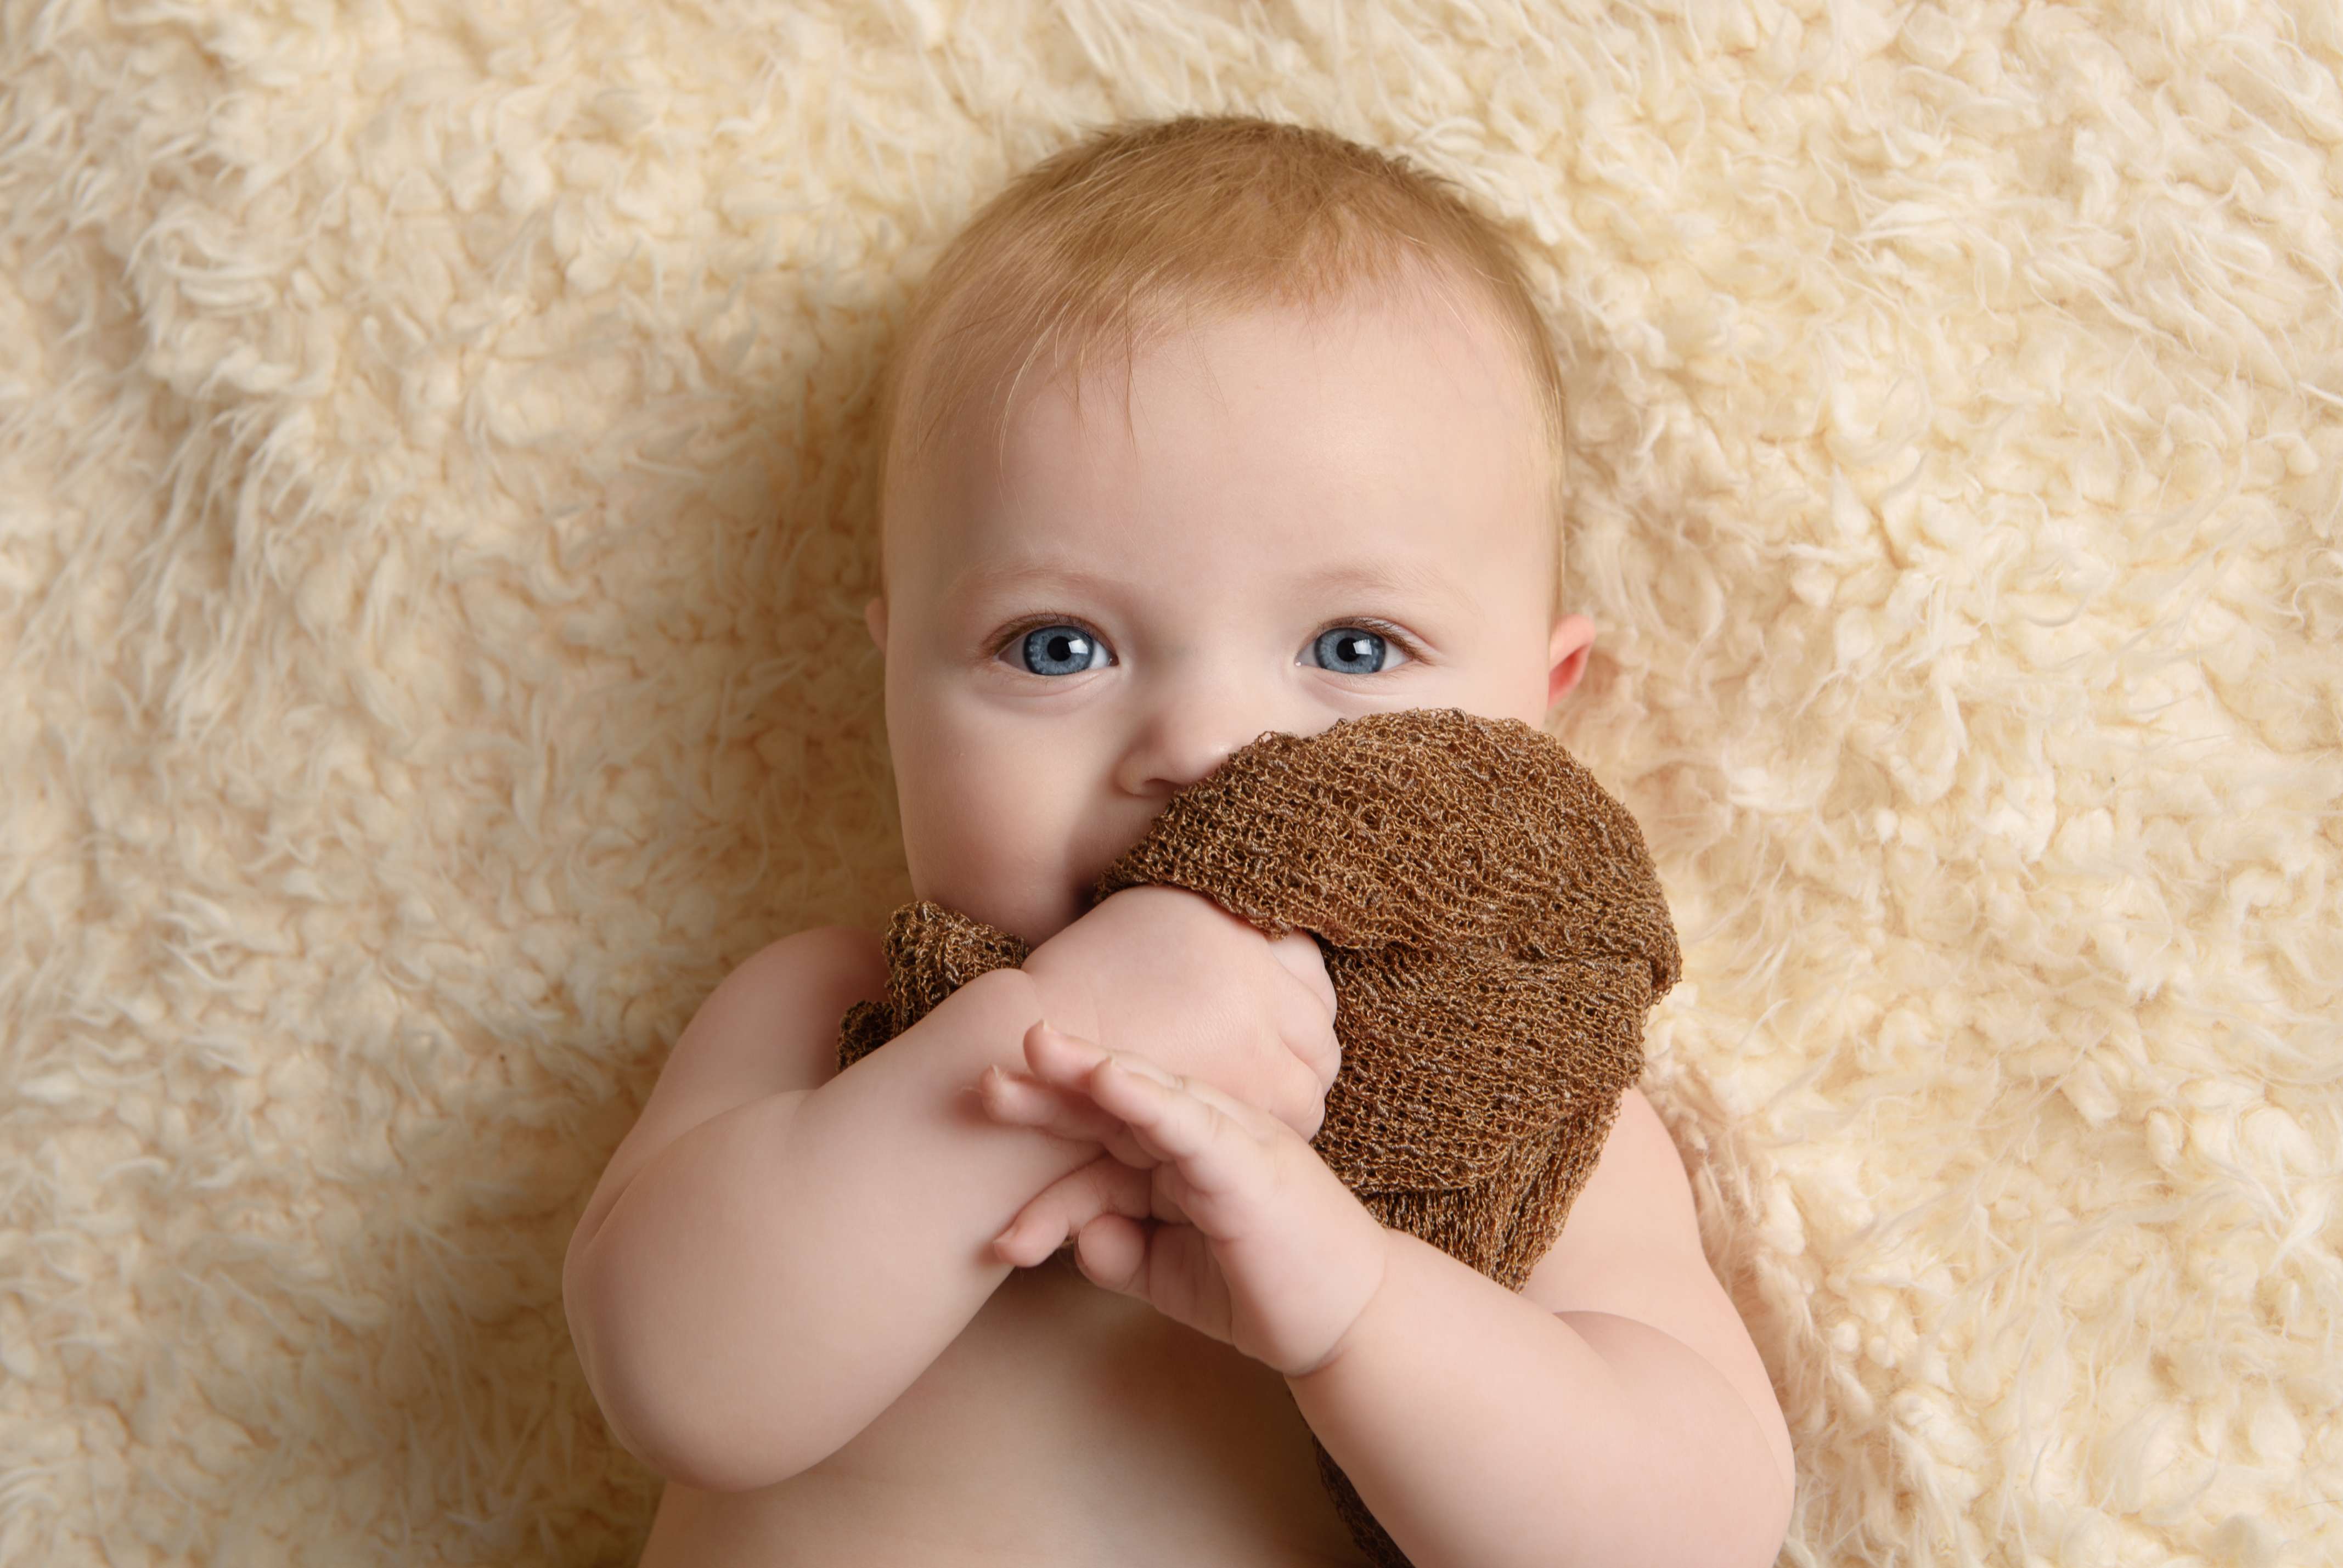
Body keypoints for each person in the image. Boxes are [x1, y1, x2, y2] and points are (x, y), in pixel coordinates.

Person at [563, 116, 1795, 1567]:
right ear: (892, 683)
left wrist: (1354, 1306)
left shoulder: (1522, 1106)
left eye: (1352, 643)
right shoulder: (834, 1016)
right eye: (1058, 643)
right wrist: (1035, 1043)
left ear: (1540, 705)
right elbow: (681, 1380)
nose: (1207, 749)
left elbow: (1682, 1532)